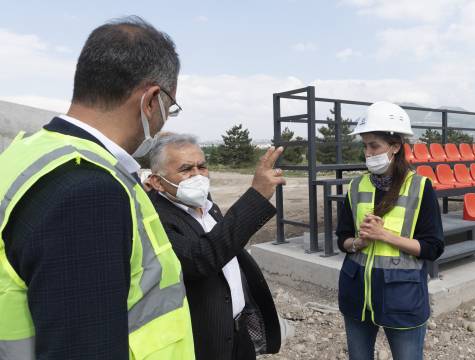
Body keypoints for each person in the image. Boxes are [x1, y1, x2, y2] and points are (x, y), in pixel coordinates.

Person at [0, 17, 195, 359]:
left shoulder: (28, 154)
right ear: (152, 100)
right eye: (170, 108)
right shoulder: (88, 190)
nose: (165, 120)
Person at [146, 133, 284, 360]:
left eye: (202, 166)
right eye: (186, 169)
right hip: (205, 343)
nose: (198, 176)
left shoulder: (208, 206)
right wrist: (256, 197)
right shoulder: (157, 218)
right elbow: (200, 258)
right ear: (158, 181)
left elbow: (226, 247)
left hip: (239, 335)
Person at [336, 102, 444, 360]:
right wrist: (357, 243)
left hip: (402, 299)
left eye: (374, 146)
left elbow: (433, 247)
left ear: (395, 147)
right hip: (357, 297)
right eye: (365, 146)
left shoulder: (420, 187)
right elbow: (342, 239)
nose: (368, 152)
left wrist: (385, 236)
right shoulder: (356, 186)